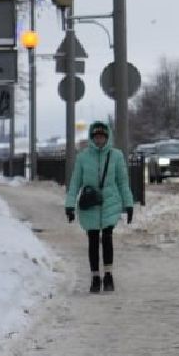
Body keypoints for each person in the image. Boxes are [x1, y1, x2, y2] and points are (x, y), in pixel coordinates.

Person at [65, 121, 134, 294]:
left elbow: (122, 182)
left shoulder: (116, 156)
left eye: (102, 136)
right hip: (90, 205)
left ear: (107, 136)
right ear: (92, 137)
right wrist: (69, 205)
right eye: (96, 137)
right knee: (93, 240)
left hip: (110, 202)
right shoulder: (83, 157)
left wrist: (129, 204)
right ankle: (95, 277)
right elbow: (75, 183)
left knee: (108, 238)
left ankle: (108, 275)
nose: (99, 140)